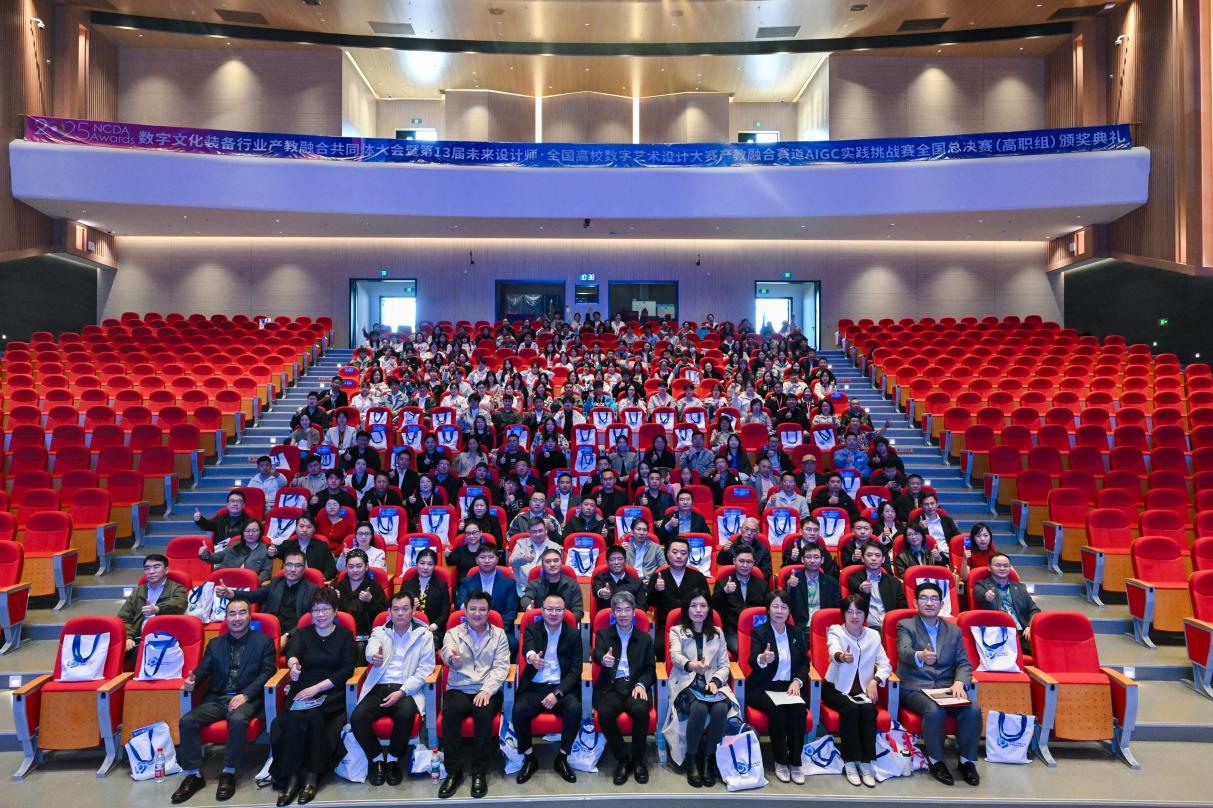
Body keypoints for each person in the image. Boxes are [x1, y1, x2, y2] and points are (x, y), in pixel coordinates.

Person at [172, 598, 277, 805]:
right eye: (232, 614)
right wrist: (193, 681)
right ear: (226, 618)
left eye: (242, 613)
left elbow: (267, 673)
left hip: (247, 699)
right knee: (187, 721)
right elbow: (203, 670)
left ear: (249, 616)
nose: (237, 618)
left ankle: (229, 772)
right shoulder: (215, 644)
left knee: (238, 719)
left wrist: (245, 695)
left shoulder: (263, 642)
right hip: (218, 698)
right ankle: (193, 774)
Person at [269, 587, 357, 805]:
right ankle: (292, 778)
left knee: (313, 716)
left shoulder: (345, 636)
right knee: (293, 717)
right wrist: (293, 667)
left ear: (335, 611)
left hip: (330, 690)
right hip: (302, 689)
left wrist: (317, 689)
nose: (320, 614)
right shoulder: (303, 634)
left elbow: (347, 670)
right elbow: (292, 655)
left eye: (325, 609)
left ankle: (311, 777)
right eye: (316, 610)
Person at [896, 582, 981, 787]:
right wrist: (920, 655)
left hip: (945, 688)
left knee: (973, 711)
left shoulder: (953, 630)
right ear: (915, 602)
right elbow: (904, 651)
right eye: (924, 598)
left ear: (942, 604)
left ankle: (967, 762)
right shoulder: (905, 625)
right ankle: (937, 761)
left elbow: (964, 663)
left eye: (934, 599)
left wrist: (959, 682)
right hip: (916, 687)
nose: (929, 603)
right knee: (934, 711)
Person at [352, 591, 435, 787]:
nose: (400, 613)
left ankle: (393, 760)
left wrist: (403, 691)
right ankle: (377, 759)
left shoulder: (424, 635)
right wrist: (374, 657)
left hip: (406, 688)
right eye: (395, 609)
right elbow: (371, 650)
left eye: (405, 609)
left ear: (413, 610)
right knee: (357, 718)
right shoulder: (380, 631)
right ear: (389, 612)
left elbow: (425, 669)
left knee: (405, 714)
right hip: (379, 687)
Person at [438, 590, 511, 799]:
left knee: (482, 712)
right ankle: (454, 772)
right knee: (451, 712)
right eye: (473, 609)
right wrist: (452, 659)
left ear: (489, 612)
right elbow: (447, 651)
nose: (477, 613)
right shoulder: (453, 632)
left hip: (487, 688)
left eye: (482, 609)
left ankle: (479, 772)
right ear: (465, 610)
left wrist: (487, 690)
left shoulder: (499, 634)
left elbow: (501, 667)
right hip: (459, 687)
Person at [663, 590, 738, 788]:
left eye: (703, 606)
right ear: (687, 609)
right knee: (699, 708)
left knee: (720, 709)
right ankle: (692, 758)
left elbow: (724, 665)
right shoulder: (677, 631)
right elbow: (675, 657)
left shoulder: (717, 633)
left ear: (708, 609)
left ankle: (709, 759)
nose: (698, 610)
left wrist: (716, 681)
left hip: (712, 684)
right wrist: (691, 665)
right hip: (686, 682)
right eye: (694, 606)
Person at [513, 592, 583, 785]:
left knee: (574, 709)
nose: (553, 613)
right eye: (549, 609)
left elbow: (576, 670)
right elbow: (528, 647)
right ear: (542, 611)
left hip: (560, 688)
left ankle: (562, 758)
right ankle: (529, 758)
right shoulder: (532, 629)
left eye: (558, 609)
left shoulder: (573, 634)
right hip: (535, 687)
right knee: (518, 711)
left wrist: (557, 693)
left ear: (564, 611)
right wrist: (532, 658)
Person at [823, 594, 892, 788]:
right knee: (851, 709)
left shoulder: (873, 636)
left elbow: (886, 665)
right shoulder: (836, 631)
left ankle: (866, 763)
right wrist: (841, 657)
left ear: (865, 615)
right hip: (835, 688)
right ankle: (850, 762)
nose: (854, 616)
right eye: (850, 612)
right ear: (843, 614)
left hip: (862, 691)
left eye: (859, 612)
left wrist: (875, 681)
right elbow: (833, 650)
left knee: (868, 710)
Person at [745, 590, 809, 784]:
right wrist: (763, 658)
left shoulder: (796, 632)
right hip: (764, 686)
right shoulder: (760, 632)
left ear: (789, 611)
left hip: (789, 686)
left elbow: (804, 663)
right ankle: (780, 761)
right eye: (775, 607)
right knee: (778, 711)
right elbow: (751, 660)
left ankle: (795, 761)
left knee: (799, 710)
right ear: (768, 609)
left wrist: (797, 681)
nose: (779, 611)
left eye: (784, 607)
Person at [592, 592, 656, 786]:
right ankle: (623, 759)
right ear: (613, 613)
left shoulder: (644, 638)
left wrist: (641, 684)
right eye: (618, 610)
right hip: (611, 686)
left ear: (634, 612)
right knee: (604, 712)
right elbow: (597, 653)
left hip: (635, 685)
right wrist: (603, 659)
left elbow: (650, 669)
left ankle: (638, 760)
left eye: (627, 610)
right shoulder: (604, 634)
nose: (623, 614)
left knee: (640, 711)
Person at [218, 551, 318, 639]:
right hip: (269, 631)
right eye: (289, 564)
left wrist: (288, 636)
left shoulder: (312, 590)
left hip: (295, 635)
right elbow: (254, 595)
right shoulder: (276, 583)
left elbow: (310, 620)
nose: (293, 569)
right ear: (284, 566)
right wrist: (232, 594)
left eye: (298, 565)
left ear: (304, 568)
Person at [117, 553, 188, 663]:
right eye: (147, 568)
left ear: (166, 570)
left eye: (156, 567)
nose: (151, 571)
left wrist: (157, 609)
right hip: (138, 638)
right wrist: (128, 637)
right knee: (113, 649)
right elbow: (123, 618)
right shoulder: (138, 591)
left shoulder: (177, 589)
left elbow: (179, 605)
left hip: (165, 638)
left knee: (140, 652)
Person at [454, 542, 520, 657]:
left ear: (497, 559)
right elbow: (459, 604)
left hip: (499, 629)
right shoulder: (467, 582)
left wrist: (498, 630)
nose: (487, 561)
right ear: (477, 560)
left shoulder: (508, 583)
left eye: (491, 557)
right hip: (471, 629)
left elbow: (511, 611)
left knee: (512, 644)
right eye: (483, 557)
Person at [971, 553, 1041, 654]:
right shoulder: (982, 585)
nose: (1002, 568)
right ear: (989, 567)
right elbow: (978, 594)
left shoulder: (1020, 587)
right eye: (998, 565)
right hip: (998, 633)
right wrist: (986, 595)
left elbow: (1035, 610)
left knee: (1044, 648)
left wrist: (1030, 626)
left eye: (1006, 566)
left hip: (1021, 633)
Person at [646, 537, 709, 645]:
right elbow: (649, 603)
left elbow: (708, 603)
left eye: (683, 553)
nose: (679, 556)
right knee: (659, 647)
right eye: (675, 552)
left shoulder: (698, 577)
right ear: (667, 554)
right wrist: (656, 589)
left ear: (688, 555)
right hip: (667, 626)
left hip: (694, 625)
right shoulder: (658, 576)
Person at [711, 545, 768, 656]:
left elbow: (768, 609)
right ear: (734, 561)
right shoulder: (723, 583)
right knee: (743, 652)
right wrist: (724, 592)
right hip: (733, 631)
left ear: (754, 563)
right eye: (741, 561)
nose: (745, 565)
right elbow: (714, 609)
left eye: (749, 562)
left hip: (757, 629)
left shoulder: (762, 585)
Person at [335, 549, 389, 653]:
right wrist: (333, 601)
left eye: (359, 566)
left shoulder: (374, 587)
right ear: (346, 567)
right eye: (351, 566)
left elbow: (384, 616)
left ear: (366, 566)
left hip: (366, 635)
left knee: (360, 647)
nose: (355, 570)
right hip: (342, 633)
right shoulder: (340, 586)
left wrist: (371, 601)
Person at [847, 542, 907, 629]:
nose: (873, 558)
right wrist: (861, 588)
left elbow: (903, 608)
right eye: (869, 555)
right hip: (866, 628)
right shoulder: (855, 577)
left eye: (877, 555)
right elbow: (854, 586)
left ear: (883, 559)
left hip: (891, 627)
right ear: (862, 558)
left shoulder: (894, 582)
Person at [785, 543, 843, 629]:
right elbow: (784, 602)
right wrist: (789, 587)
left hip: (824, 626)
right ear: (802, 559)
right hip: (799, 627)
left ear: (822, 560)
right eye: (808, 557)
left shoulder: (832, 582)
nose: (812, 561)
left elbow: (838, 607)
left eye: (816, 557)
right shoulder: (793, 580)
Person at [198, 519, 273, 583]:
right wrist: (206, 555)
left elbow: (266, 573)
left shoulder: (266, 550)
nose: (250, 534)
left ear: (260, 532)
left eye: (254, 531)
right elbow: (218, 557)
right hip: (226, 582)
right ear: (242, 532)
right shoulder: (234, 545)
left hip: (249, 586)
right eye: (247, 531)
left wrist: (253, 582)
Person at [267, 514, 337, 581]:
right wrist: (272, 552)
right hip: (289, 582)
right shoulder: (288, 545)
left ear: (314, 529)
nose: (305, 530)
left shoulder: (322, 547)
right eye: (301, 526)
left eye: (309, 527)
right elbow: (275, 552)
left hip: (312, 584)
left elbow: (332, 569)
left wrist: (322, 578)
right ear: (296, 528)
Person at [521, 548, 585, 620]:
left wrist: (560, 621)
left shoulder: (572, 584)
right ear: (543, 565)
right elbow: (526, 598)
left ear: (561, 563)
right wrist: (528, 606)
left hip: (565, 624)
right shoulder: (534, 584)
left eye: (556, 561)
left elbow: (578, 611)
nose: (552, 564)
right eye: (548, 561)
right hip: (541, 623)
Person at [510, 517, 563, 595]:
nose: (537, 534)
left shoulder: (555, 547)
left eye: (540, 531)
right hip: (522, 587)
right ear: (529, 532)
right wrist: (524, 558)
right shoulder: (521, 543)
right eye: (534, 531)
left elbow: (556, 569)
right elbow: (512, 562)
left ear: (546, 530)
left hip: (545, 588)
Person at [592, 544, 647, 615]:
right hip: (607, 619)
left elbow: (642, 608)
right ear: (607, 562)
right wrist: (601, 592)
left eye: (620, 559)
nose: (616, 562)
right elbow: (597, 589)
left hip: (629, 619)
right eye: (612, 559)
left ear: (625, 561)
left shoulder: (637, 582)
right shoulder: (600, 578)